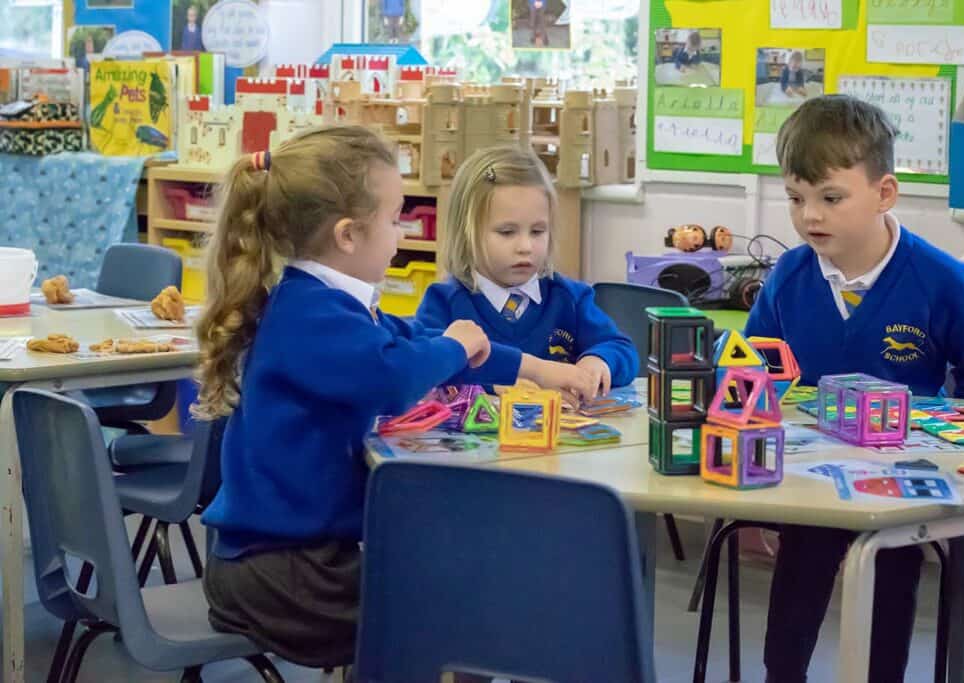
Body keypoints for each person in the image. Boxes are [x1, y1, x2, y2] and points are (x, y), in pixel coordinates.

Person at [193, 127, 592, 668]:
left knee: (460, 586)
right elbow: (396, 377)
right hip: (282, 574)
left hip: (293, 558)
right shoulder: (311, 316)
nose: (402, 233)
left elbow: (417, 343)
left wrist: (541, 369)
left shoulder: (326, 303)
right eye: (395, 217)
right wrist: (453, 345)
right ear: (348, 235)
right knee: (460, 607)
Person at [746, 94, 964, 682]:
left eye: (830, 198)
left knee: (890, 584)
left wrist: (950, 442)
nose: (810, 215)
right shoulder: (788, 275)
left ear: (884, 194)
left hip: (903, 488)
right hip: (807, 483)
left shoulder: (942, 280)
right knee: (798, 583)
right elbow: (752, 372)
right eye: (795, 198)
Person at [417, 145, 639, 402]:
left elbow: (621, 347)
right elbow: (426, 366)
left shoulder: (569, 297)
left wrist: (598, 361)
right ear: (466, 234)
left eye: (537, 232)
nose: (526, 247)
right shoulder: (444, 302)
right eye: (507, 232)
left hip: (561, 438)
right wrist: (494, 386)